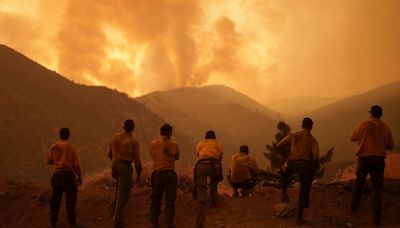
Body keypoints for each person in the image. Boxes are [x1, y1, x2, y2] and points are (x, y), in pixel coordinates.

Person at [350, 105, 394, 226]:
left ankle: (353, 208)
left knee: (359, 184)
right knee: (376, 189)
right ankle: (376, 219)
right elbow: (390, 145)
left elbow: (353, 137)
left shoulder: (364, 125)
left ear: (371, 114)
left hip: (364, 159)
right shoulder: (385, 128)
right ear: (380, 115)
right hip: (378, 160)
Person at [277, 117, 319, 225]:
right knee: (304, 188)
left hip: (292, 162)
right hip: (305, 164)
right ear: (311, 127)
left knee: (284, 172)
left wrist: (287, 155)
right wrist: (314, 169)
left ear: (302, 125)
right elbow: (316, 157)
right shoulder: (313, 140)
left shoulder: (293, 135)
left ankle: (284, 194)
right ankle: (299, 217)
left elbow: (279, 145)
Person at [108, 119, 142, 228]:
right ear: (133, 128)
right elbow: (137, 161)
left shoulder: (114, 137)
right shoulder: (133, 142)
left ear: (123, 126)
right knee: (124, 195)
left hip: (115, 165)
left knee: (119, 190)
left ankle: (113, 211)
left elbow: (109, 154)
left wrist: (115, 162)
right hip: (125, 168)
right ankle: (117, 221)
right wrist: (139, 173)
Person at [46, 127, 82, 227]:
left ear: (60, 135)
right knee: (70, 201)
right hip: (68, 176)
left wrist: (58, 160)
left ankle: (53, 222)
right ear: (68, 135)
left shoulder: (54, 146)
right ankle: (72, 222)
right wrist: (79, 176)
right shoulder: (71, 147)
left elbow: (49, 161)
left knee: (55, 200)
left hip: (57, 175)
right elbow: (76, 165)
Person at [149, 124, 180, 228]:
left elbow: (151, 154)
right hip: (170, 173)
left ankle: (153, 222)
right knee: (170, 200)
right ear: (169, 133)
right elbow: (177, 157)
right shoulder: (173, 145)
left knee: (156, 199)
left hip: (157, 173)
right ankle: (169, 223)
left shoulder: (153, 144)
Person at [194, 130, 224, 228]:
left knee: (201, 192)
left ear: (205, 138)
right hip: (214, 164)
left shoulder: (200, 144)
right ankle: (214, 201)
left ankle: (199, 221)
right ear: (214, 137)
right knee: (213, 183)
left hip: (201, 165)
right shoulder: (218, 144)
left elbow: (198, 156)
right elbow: (220, 157)